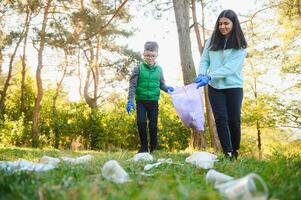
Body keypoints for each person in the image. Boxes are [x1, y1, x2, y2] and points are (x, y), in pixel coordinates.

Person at [195, 9, 247, 159]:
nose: (223, 26)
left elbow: (231, 68)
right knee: (220, 119)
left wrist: (209, 76)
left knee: (234, 120)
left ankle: (235, 151)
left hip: (234, 87)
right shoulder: (211, 41)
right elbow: (205, 59)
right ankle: (227, 152)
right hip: (215, 87)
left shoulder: (240, 44)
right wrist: (201, 73)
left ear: (234, 24)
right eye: (220, 23)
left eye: (226, 23)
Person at [126, 41, 174, 153]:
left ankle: (153, 148)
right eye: (147, 55)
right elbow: (132, 85)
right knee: (141, 122)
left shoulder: (159, 69)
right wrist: (130, 100)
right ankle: (143, 147)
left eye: (153, 55)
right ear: (144, 54)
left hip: (153, 101)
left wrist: (168, 89)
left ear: (157, 55)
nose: (150, 58)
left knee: (153, 125)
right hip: (141, 101)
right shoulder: (138, 68)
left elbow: (161, 84)